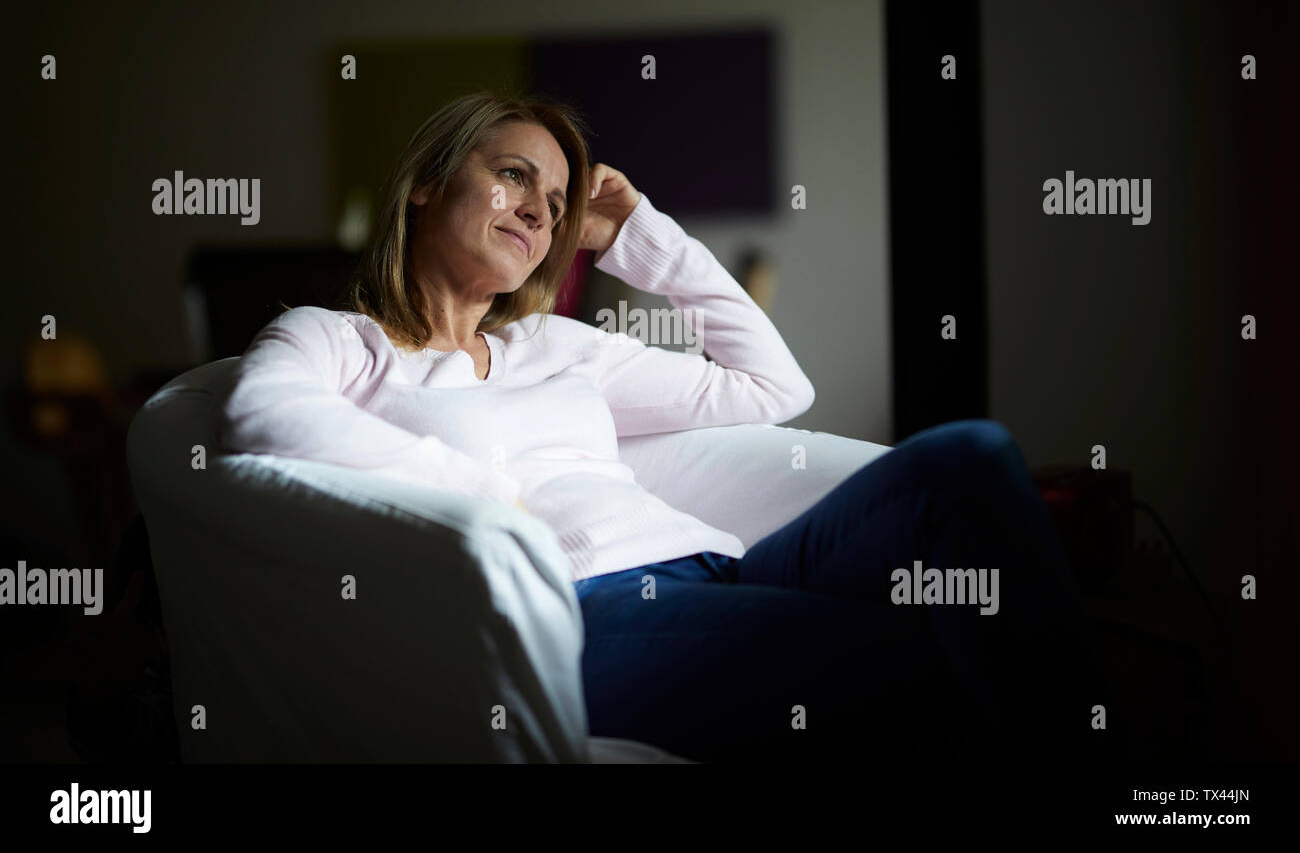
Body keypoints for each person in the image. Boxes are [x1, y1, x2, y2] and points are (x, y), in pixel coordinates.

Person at [216, 90, 1100, 763]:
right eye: (513, 175)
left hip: (723, 565)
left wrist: (641, 235)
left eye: (557, 202)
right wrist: (495, 500)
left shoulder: (552, 343)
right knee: (912, 661)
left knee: (968, 459)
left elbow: (770, 385)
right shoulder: (342, 341)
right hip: (581, 619)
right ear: (422, 187)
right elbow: (264, 418)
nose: (538, 209)